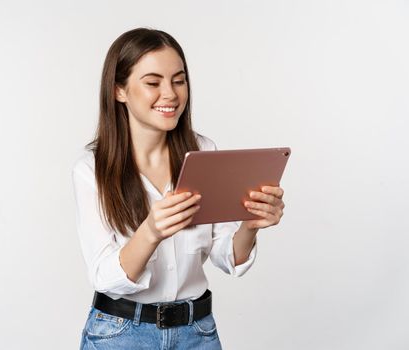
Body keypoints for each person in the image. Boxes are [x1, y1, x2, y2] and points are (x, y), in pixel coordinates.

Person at [72, 28, 285, 349]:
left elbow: (227, 256)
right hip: (120, 336)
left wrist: (250, 226)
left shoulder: (202, 152)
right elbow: (104, 276)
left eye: (179, 80)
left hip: (195, 333)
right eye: (153, 82)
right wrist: (151, 231)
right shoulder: (92, 168)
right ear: (119, 90)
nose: (170, 94)